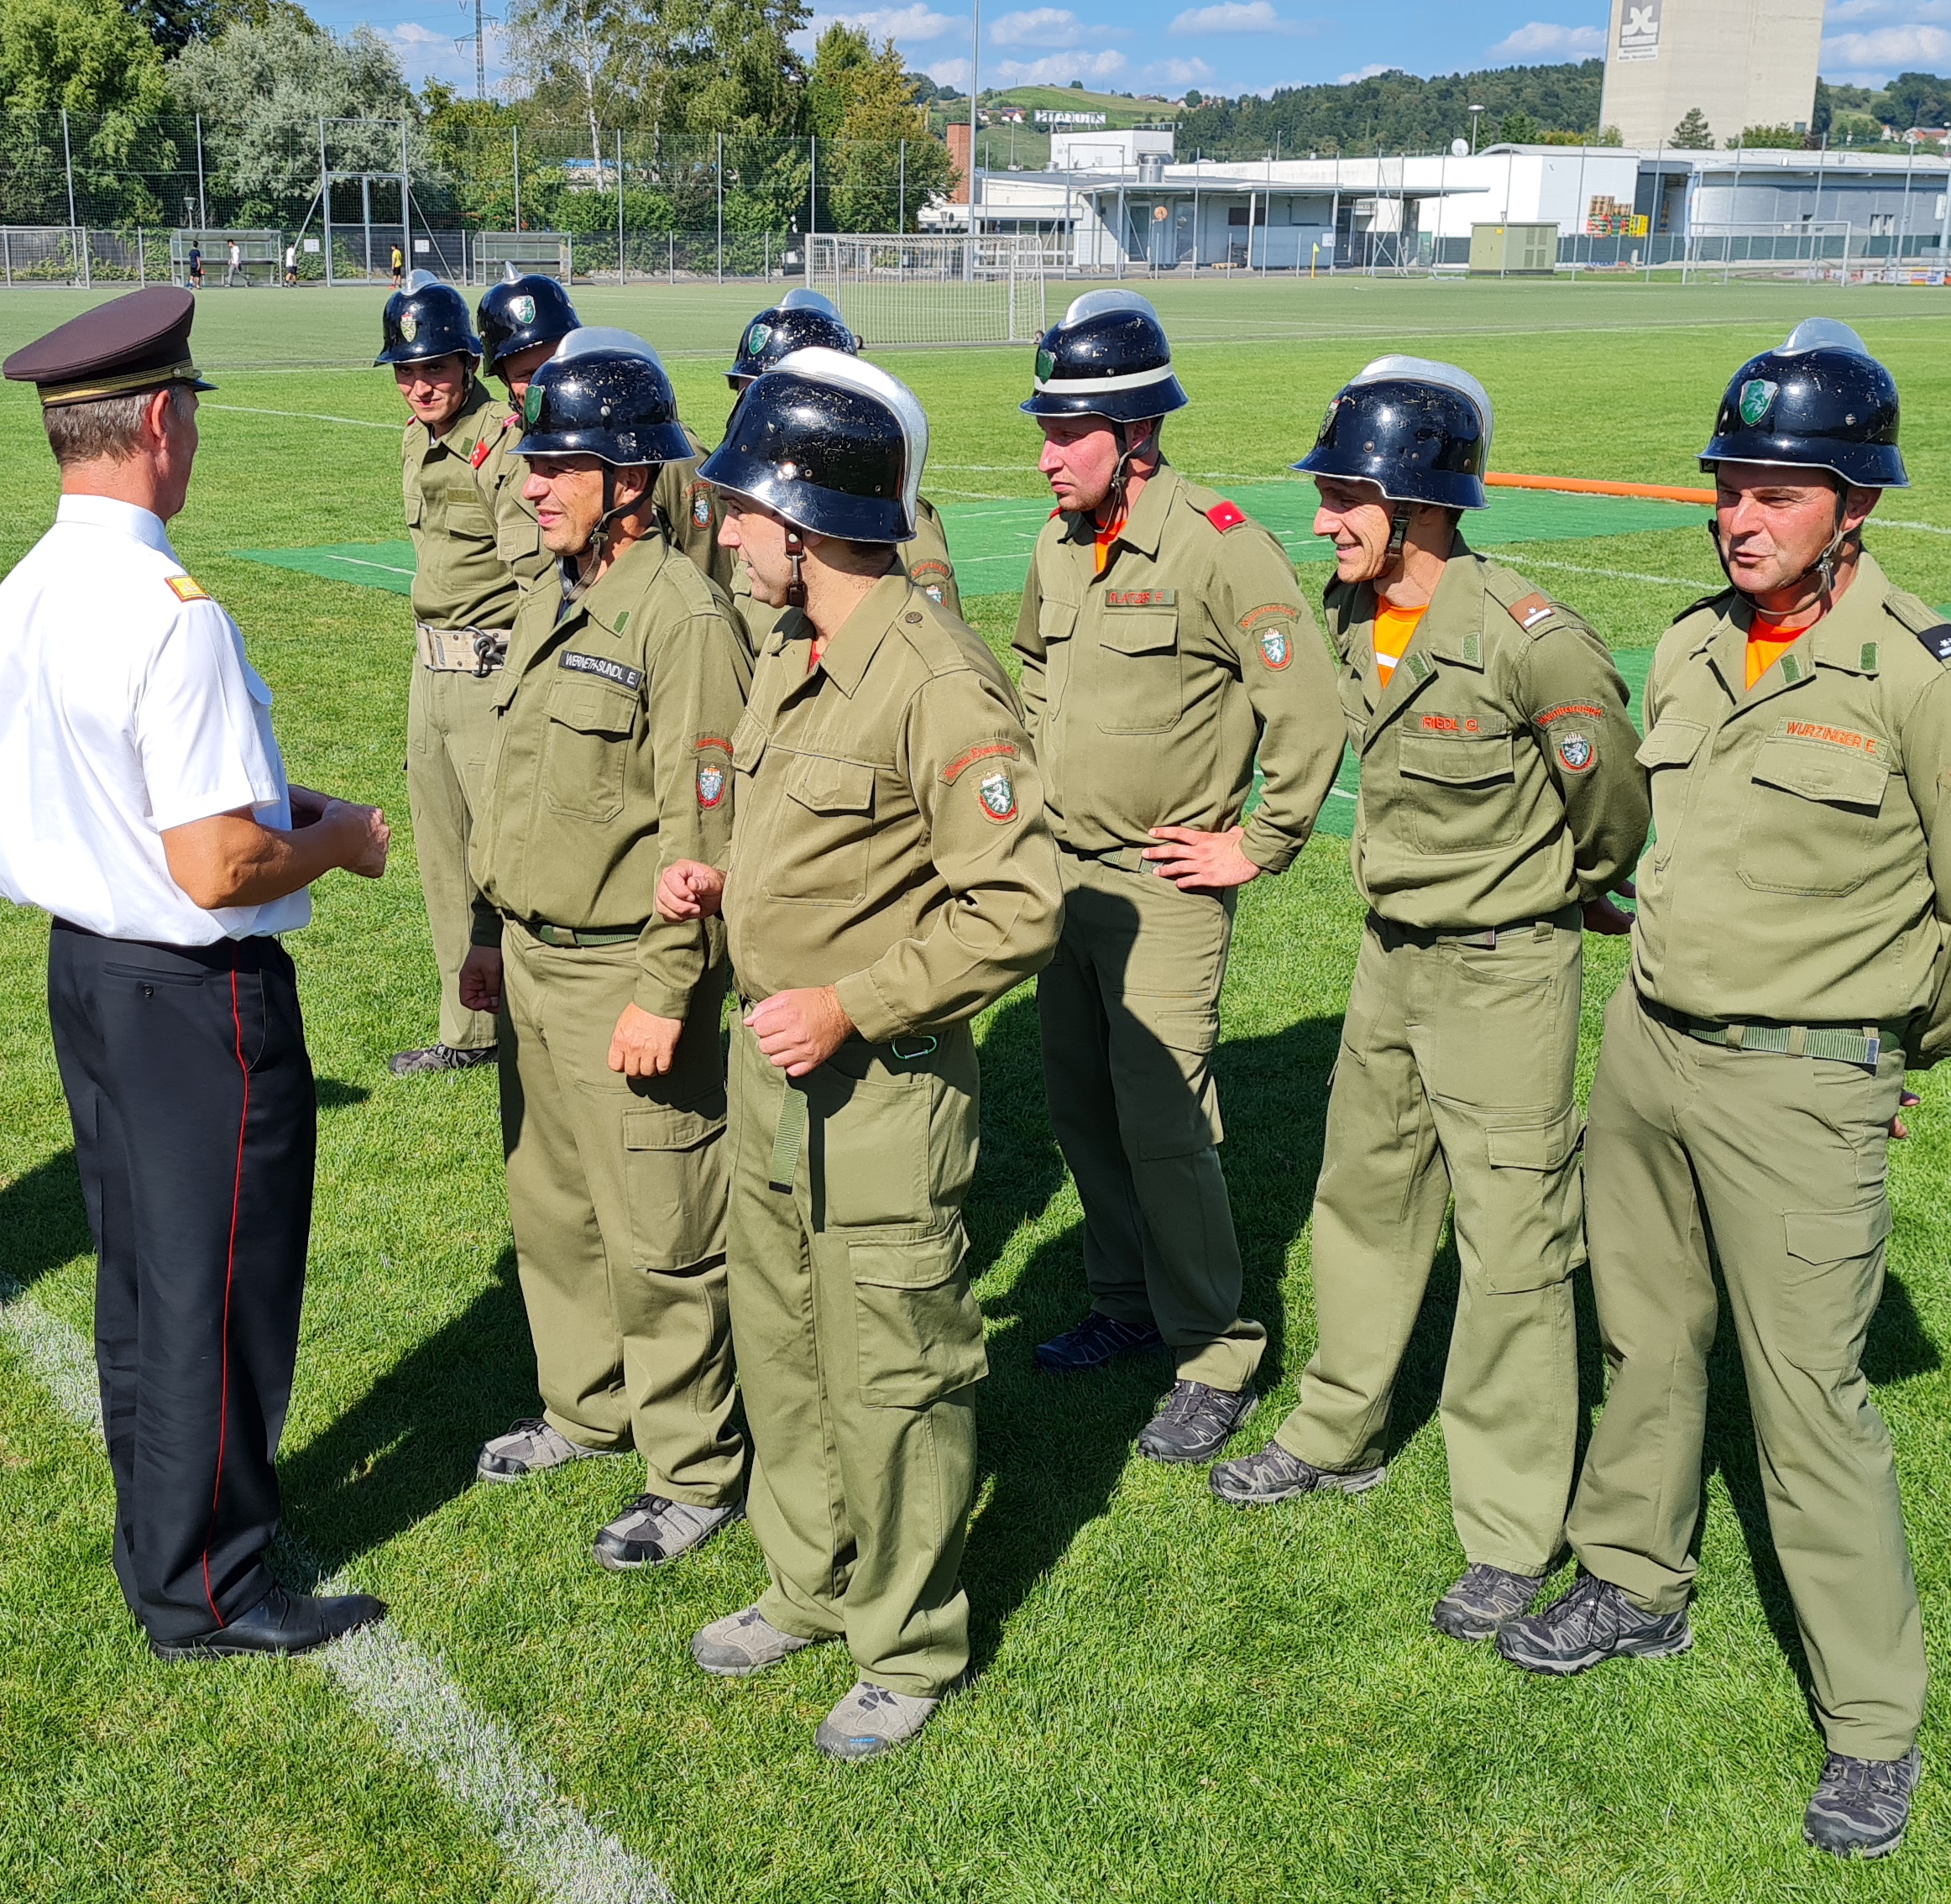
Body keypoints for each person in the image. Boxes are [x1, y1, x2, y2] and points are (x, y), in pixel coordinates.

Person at [1490, 320, 1951, 1860]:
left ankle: (1870, 1722)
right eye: (1728, 486)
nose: (1741, 517)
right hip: (1649, 1049)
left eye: (1778, 492)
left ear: (1853, 505)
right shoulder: (1688, 645)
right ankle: (1633, 1579)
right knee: (1643, 1337)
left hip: (1803, 1086)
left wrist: (1887, 1051)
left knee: (1809, 1404)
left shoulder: (1931, 682)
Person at [0, 285, 397, 1660]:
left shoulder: (30, 587)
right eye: (193, 416)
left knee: (143, 1282)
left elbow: (124, 791)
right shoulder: (171, 609)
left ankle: (159, 1540)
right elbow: (216, 866)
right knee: (217, 1291)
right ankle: (208, 1586)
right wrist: (335, 841)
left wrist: (274, 803)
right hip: (191, 992)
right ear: (161, 420)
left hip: (90, 972)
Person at [656, 349, 1060, 1760]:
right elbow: (817, 842)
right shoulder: (793, 652)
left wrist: (853, 1005)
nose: (725, 535)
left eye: (743, 513)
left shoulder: (937, 679)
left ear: (809, 519)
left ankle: (907, 1641)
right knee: (781, 1345)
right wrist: (732, 894)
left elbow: (1017, 906)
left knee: (892, 1374)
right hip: (772, 1069)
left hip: (878, 1089)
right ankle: (810, 1584)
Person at [1205, 360, 1648, 1646]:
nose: (1323, 520)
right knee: (1364, 1196)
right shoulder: (1354, 615)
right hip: (1388, 957)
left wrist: (1575, 887)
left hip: (1505, 972)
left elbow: (1612, 801)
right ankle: (1336, 1431)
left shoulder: (1532, 641)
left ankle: (1509, 1533)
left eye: (1346, 497)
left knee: (1511, 1250)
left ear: (1420, 506)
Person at [1010, 290, 1345, 1465]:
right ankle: (1124, 1302)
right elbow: (1031, 676)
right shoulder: (1057, 544)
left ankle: (1215, 1351)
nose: (1047, 456)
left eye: (1069, 434)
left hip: (1163, 887)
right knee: (1082, 1106)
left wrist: (1258, 843)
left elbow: (1308, 707)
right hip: (1061, 879)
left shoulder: (1218, 544)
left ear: (1138, 433)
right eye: (1045, 431)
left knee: (1165, 1126)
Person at [454, 330, 754, 1569]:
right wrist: (489, 932)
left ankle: (694, 1470)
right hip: (533, 960)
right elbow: (518, 783)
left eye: (555, 466)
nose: (529, 483)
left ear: (628, 480)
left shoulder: (684, 619)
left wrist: (666, 992)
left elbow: (704, 834)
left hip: (624, 971)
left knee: (661, 1233)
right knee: (554, 1208)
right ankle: (585, 1409)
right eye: (531, 461)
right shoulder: (555, 589)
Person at [385, 270, 519, 1077]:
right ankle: (468, 1030)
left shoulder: (500, 442)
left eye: (434, 368)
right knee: (442, 858)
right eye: (406, 372)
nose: (420, 386)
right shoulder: (414, 439)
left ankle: (533, 1020)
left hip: (490, 675)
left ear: (468, 364)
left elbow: (537, 574)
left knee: (503, 855)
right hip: (429, 672)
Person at [714, 288, 963, 650]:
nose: (753, 420)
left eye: (778, 401)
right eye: (747, 398)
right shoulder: (756, 517)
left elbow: (929, 647)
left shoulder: (893, 528)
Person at [479, 271, 727, 581]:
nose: (546, 381)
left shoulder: (659, 451)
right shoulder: (496, 458)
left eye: (553, 364)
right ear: (504, 380)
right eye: (527, 375)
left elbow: (713, 572)